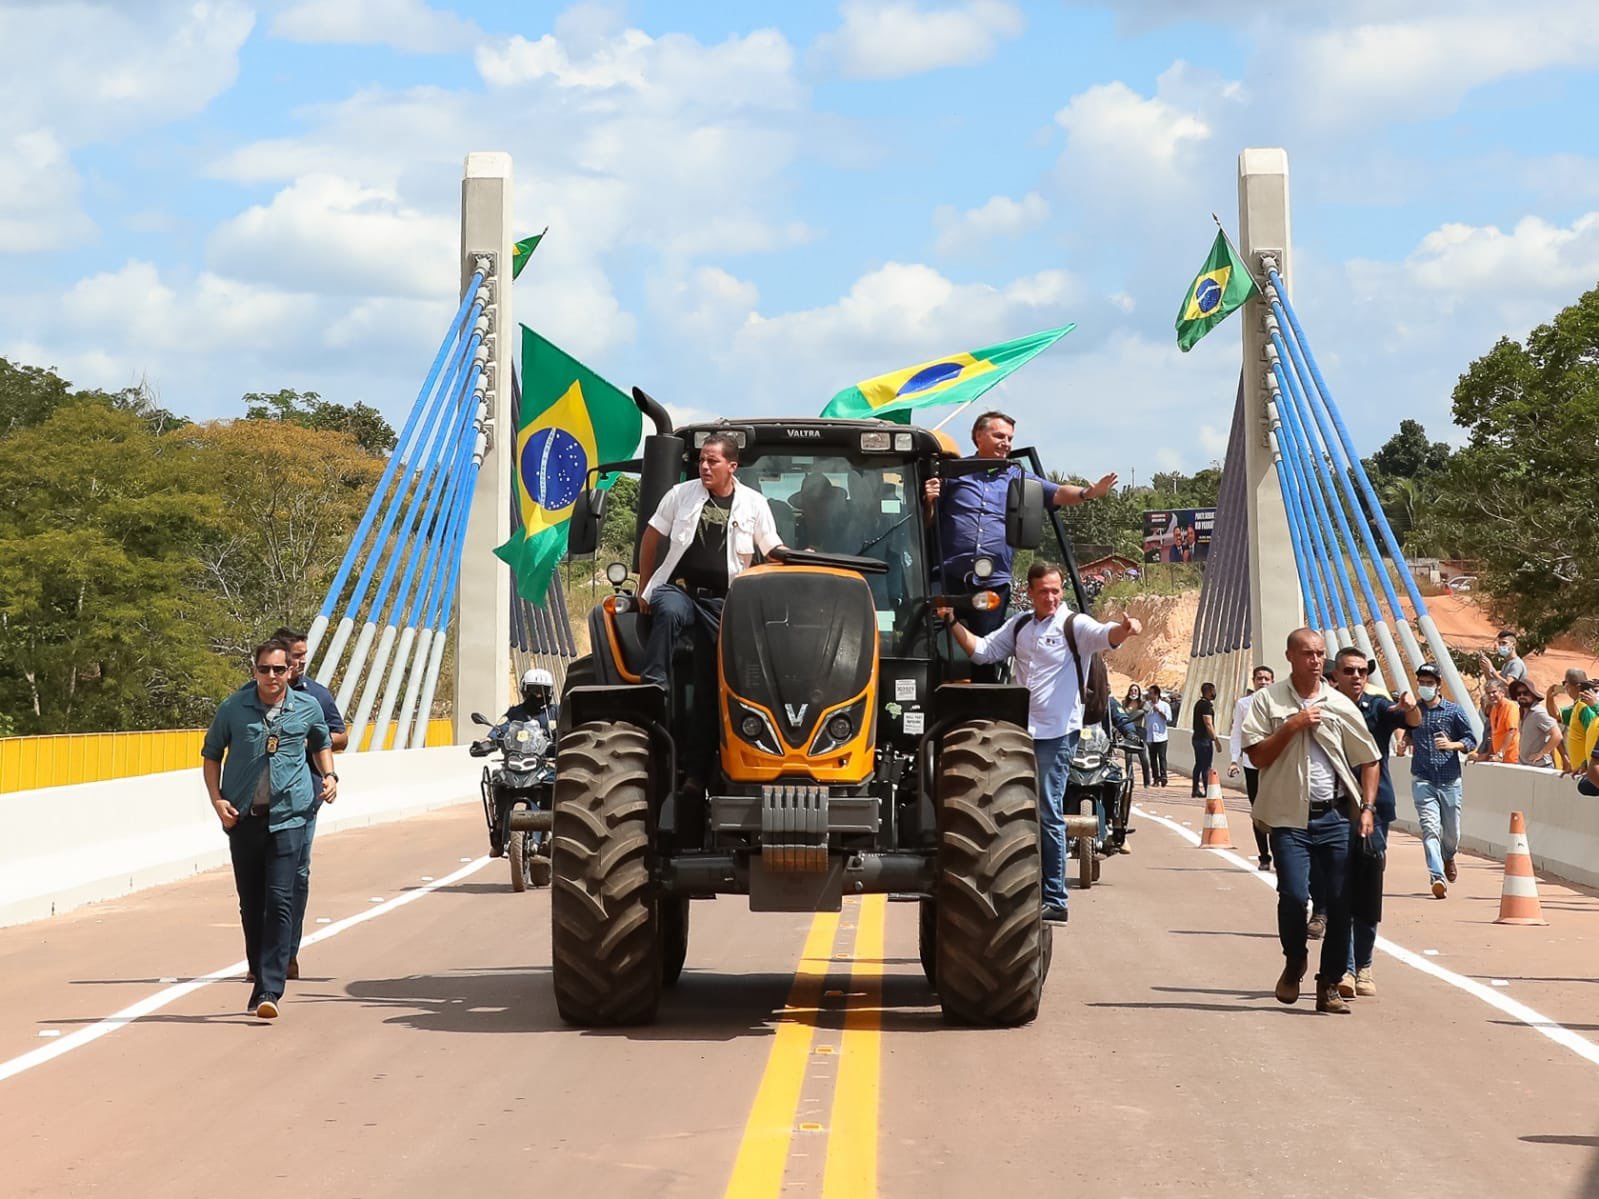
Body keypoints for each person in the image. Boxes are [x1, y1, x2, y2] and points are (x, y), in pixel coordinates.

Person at [939, 560, 1142, 924]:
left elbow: (1104, 635)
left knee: (1047, 810)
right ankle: (1016, 886)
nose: (1051, 596)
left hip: (1056, 734)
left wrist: (1125, 630)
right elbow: (983, 651)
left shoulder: (1073, 625)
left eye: (1056, 590)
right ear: (1030, 593)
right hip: (1018, 733)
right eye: (1044, 591)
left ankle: (1055, 897)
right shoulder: (1019, 625)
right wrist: (953, 622)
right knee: (1010, 810)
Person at [1241, 628, 1380, 1015]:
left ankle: (1329, 984)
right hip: (1289, 818)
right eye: (1308, 654)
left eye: (1321, 654)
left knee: (1339, 904)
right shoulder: (1267, 701)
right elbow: (1257, 757)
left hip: (1333, 816)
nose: (1316, 661)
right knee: (1294, 896)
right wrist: (1292, 725)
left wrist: (1366, 808)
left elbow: (1369, 758)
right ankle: (1294, 960)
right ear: (1290, 656)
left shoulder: (1339, 704)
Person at [922, 410, 1114, 680]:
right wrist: (928, 501)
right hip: (948, 577)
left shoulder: (1017, 476)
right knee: (924, 642)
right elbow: (926, 524)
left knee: (986, 652)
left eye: (1010, 439)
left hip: (991, 584)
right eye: (999, 436)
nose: (1006, 443)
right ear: (978, 436)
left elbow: (1057, 492)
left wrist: (1088, 493)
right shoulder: (952, 475)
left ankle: (983, 711)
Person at [203, 639, 335, 1020]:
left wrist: (329, 775)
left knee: (280, 899)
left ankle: (270, 988)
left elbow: (322, 742)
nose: (272, 676)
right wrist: (217, 801)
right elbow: (211, 755)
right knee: (252, 902)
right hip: (243, 818)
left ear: (290, 671)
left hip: (290, 816)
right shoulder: (234, 708)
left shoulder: (306, 707)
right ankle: (260, 971)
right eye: (265, 669)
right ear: (254, 670)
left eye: (279, 669)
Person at [637, 433, 787, 694]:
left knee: (732, 658)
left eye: (713, 461)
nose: (705, 466)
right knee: (670, 611)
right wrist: (643, 586)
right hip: (680, 590)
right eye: (702, 460)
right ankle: (653, 686)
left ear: (732, 466)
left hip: (725, 600)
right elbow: (651, 538)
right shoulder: (680, 495)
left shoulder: (754, 504)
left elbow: (771, 548)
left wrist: (797, 556)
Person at [1330, 648, 1420, 999]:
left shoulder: (1378, 707)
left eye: (1362, 671)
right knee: (1337, 889)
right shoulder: (1323, 708)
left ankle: (1362, 966)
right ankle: (1346, 967)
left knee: (1366, 889)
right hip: (1331, 808)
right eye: (1349, 671)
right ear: (1335, 675)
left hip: (1375, 810)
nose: (1357, 677)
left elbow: (1411, 721)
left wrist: (1411, 705)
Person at [269, 627, 346, 983]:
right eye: (295, 655)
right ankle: (262, 955)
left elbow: (339, 736)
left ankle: (287, 954)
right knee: (261, 880)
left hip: (305, 798)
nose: (302, 661)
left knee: (296, 876)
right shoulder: (255, 695)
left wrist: (308, 737)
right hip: (262, 799)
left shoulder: (316, 695)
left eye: (304, 654)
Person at [1409, 662, 1478, 899]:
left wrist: (1453, 745)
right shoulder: (1414, 711)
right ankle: (1436, 876)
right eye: (1422, 683)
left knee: (1452, 834)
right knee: (1429, 829)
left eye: (1430, 683)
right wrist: (1403, 741)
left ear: (1438, 685)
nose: (1425, 687)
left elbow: (1471, 739)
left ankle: (1448, 855)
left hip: (1449, 781)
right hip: (1423, 779)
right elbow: (1406, 731)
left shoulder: (1453, 711)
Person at [1229, 665, 1276, 870]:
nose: (1263, 682)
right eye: (1259, 678)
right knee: (1258, 811)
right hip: (1252, 764)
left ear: (1272, 681)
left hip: (1275, 765)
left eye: (1267, 678)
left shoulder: (1279, 702)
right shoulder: (1243, 704)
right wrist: (1234, 759)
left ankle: (1280, 854)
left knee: (1276, 811)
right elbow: (1237, 732)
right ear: (1253, 681)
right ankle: (1264, 856)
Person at [1511, 680, 1559, 769]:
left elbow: (1557, 735)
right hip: (1525, 766)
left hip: (1541, 766)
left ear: (1533, 694)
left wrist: (1541, 753)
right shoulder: (1523, 712)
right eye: (1518, 694)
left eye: (1525, 693)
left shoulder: (1538, 712)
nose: (1522, 696)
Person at [1471, 680, 1520, 765]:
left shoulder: (1510, 706)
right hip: (1498, 760)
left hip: (1511, 759)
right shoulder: (1494, 709)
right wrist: (1486, 755)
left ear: (1502, 692)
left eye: (1494, 692)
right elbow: (1494, 735)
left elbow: (1511, 731)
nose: (1491, 695)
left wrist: (1500, 754)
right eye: (1488, 693)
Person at [1119, 684, 1152, 787]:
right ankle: (1130, 780)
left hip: (1140, 730)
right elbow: (1119, 715)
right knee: (1128, 756)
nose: (1134, 692)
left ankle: (1147, 781)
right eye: (1132, 690)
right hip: (1128, 731)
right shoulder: (1124, 703)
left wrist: (1127, 719)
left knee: (1143, 756)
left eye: (1136, 690)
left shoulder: (1144, 703)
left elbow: (1142, 713)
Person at [1190, 681, 1217, 797]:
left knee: (1199, 765)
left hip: (1196, 738)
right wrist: (1216, 739)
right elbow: (1208, 724)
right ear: (1209, 692)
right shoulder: (1206, 706)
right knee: (1206, 765)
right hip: (1204, 740)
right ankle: (1208, 790)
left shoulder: (1198, 704)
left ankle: (1195, 789)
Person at [1143, 684, 1172, 786]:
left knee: (1162, 757)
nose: (1149, 695)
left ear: (1156, 694)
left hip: (1162, 736)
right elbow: (1144, 717)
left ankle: (1164, 777)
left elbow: (1169, 719)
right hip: (1150, 736)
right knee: (1153, 758)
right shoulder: (1147, 705)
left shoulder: (1165, 705)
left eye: (1151, 693)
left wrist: (1159, 712)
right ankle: (1156, 778)